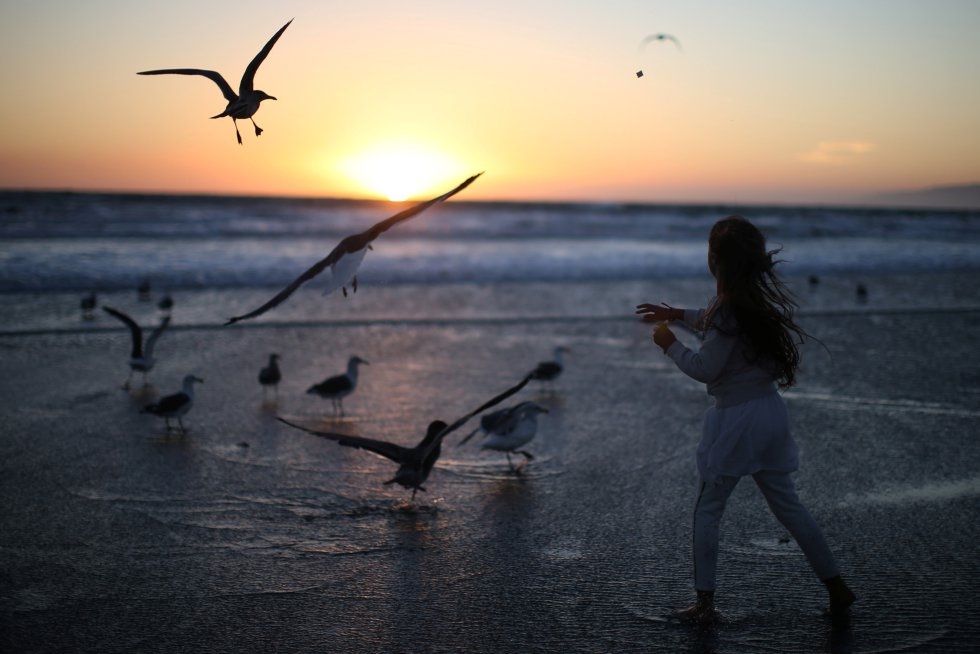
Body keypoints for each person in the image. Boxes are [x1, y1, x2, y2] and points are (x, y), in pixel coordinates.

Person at [635, 215, 854, 624]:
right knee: (789, 507)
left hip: (737, 420)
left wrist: (669, 344)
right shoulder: (752, 304)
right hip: (770, 414)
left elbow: (705, 367)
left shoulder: (730, 309)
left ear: (714, 261)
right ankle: (837, 587)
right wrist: (678, 312)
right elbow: (719, 322)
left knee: (708, 510)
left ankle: (704, 604)